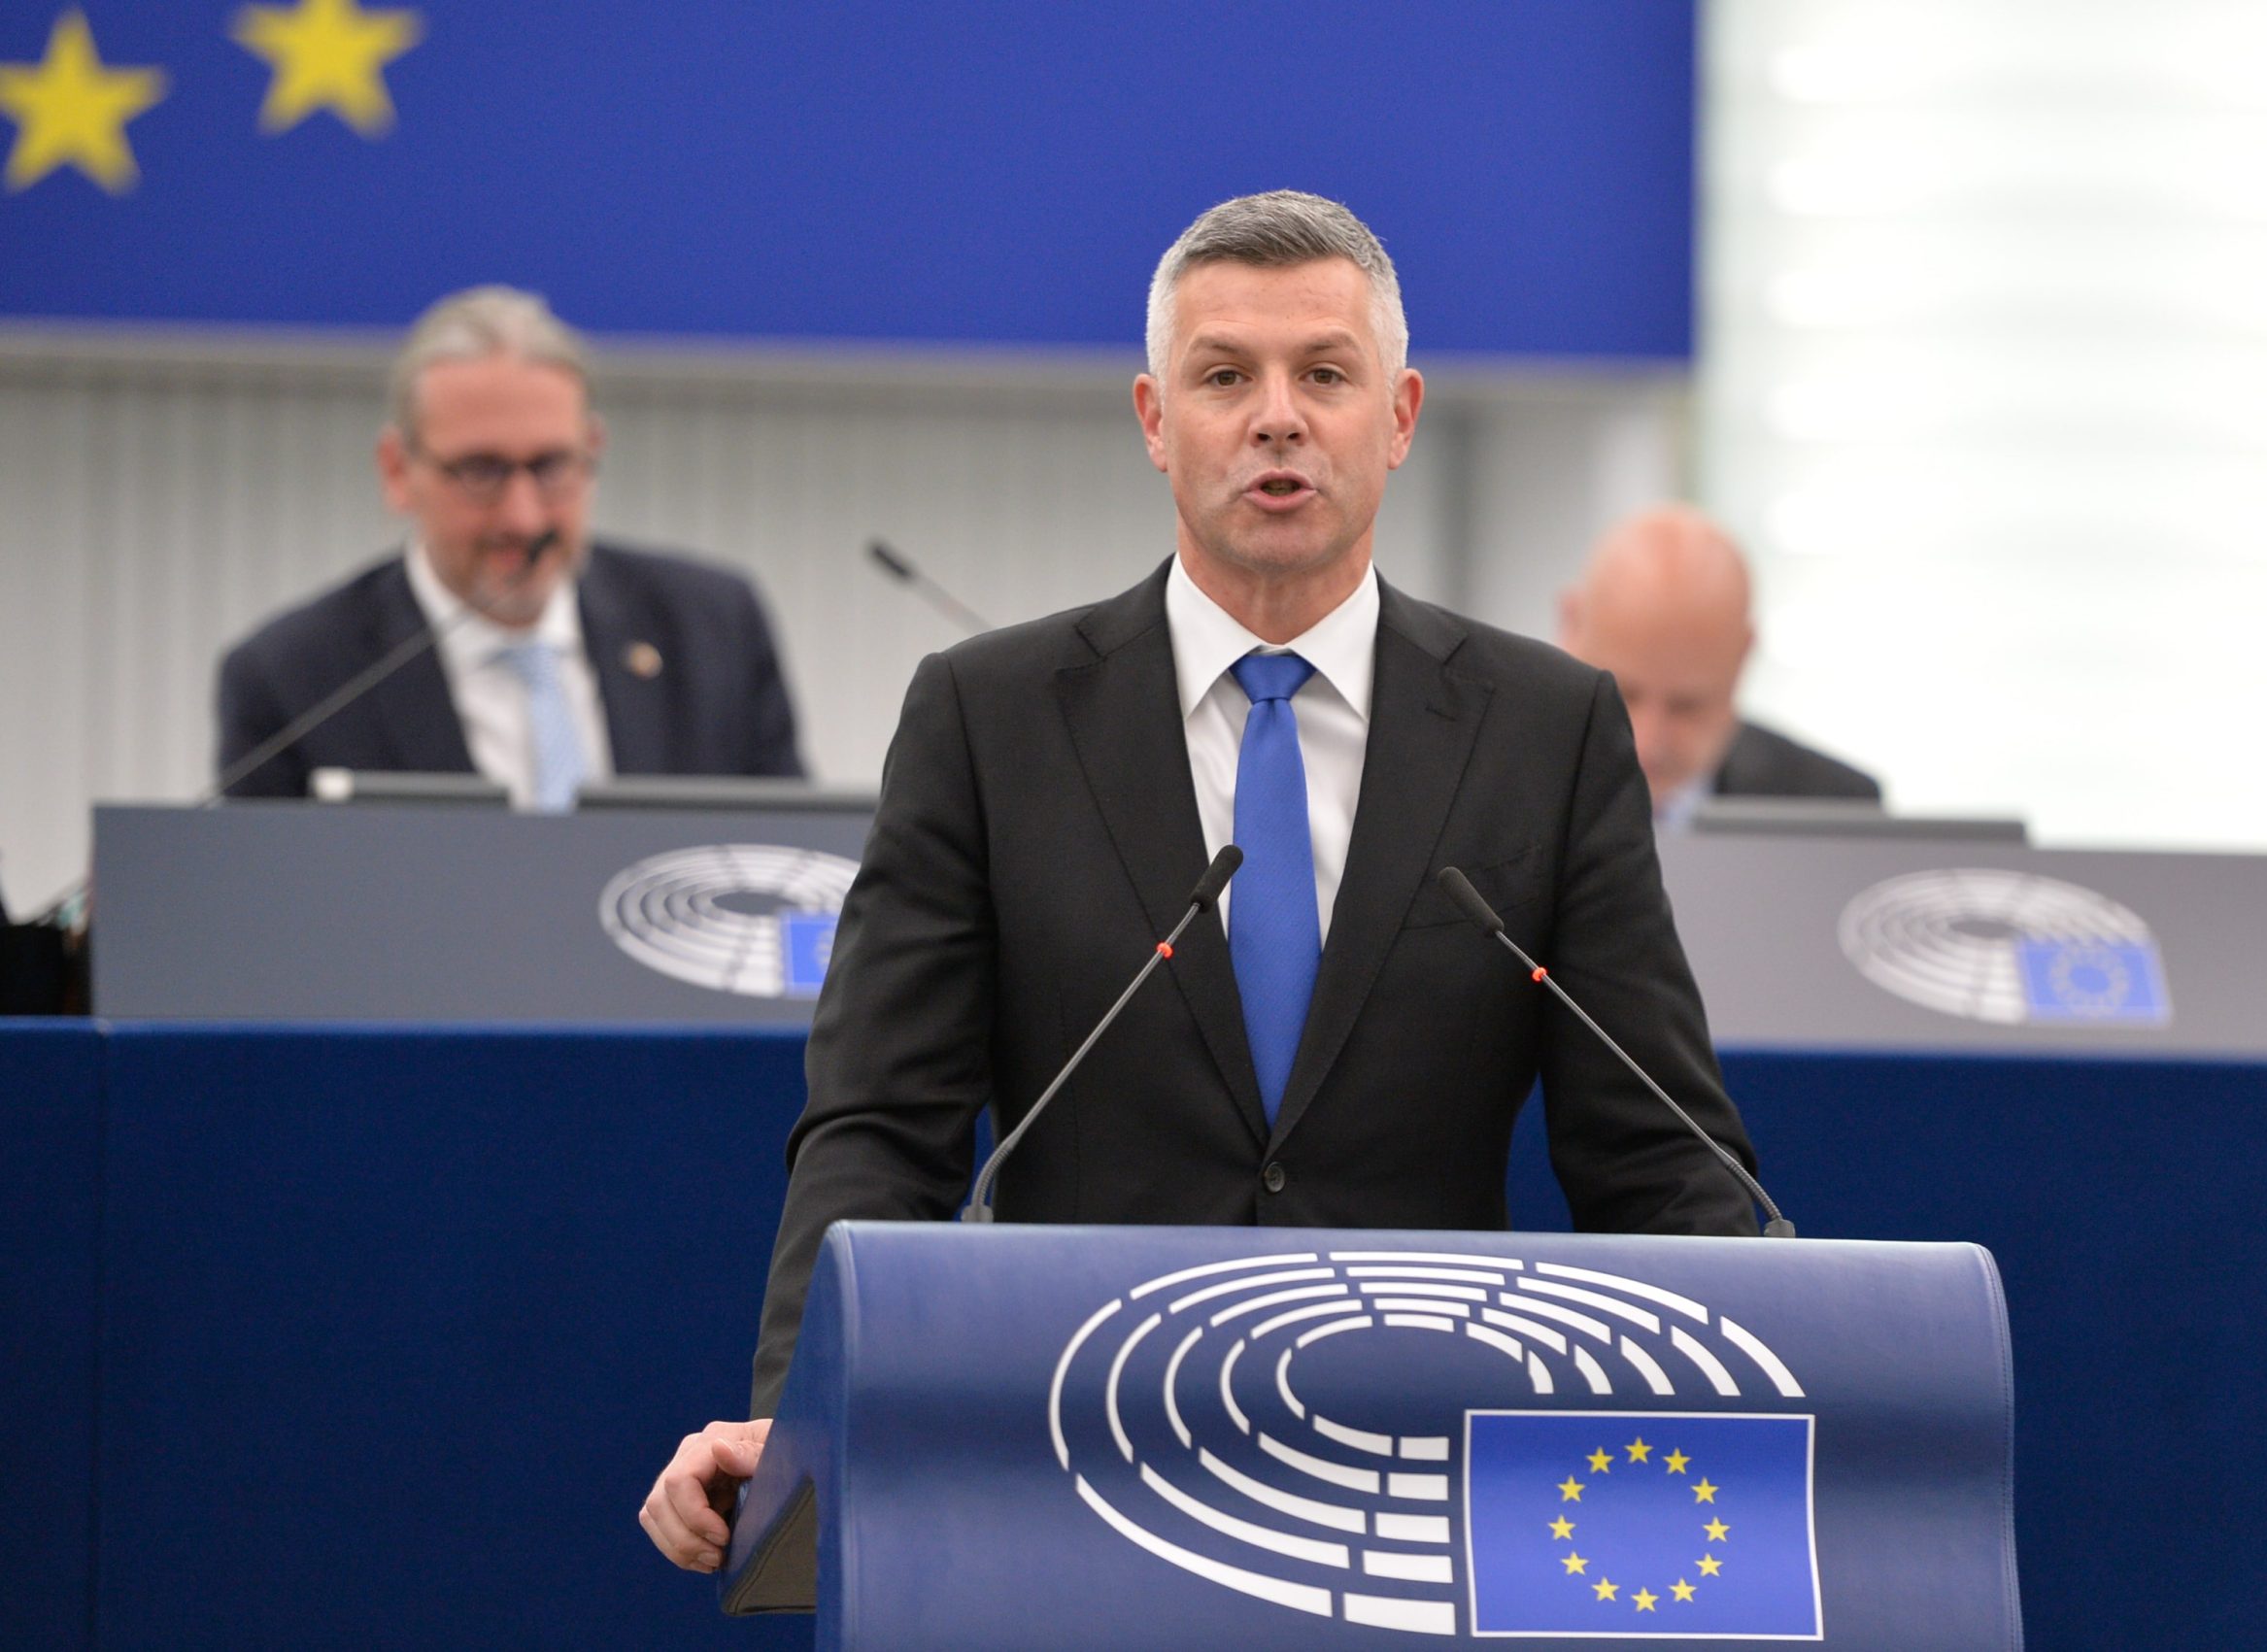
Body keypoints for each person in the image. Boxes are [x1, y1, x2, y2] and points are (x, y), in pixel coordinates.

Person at [639, 191, 1761, 1571]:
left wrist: (1757, 1404)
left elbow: (1657, 1150)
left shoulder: (1545, 730)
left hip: (1422, 1497)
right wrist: (801, 1419)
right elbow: (880, 1130)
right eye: (1225, 377)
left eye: (1324, 375)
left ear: (1399, 417)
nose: (1277, 418)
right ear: (1155, 420)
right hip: (1068, 1471)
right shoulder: (990, 719)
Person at [214, 287, 804, 807]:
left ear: (592, 451)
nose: (522, 518)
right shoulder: (295, 678)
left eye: (551, 467)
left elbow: (793, 862)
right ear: (397, 470)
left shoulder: (714, 630)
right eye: (481, 471)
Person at [1559, 506, 1878, 830]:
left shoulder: (1837, 814)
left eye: (1687, 706)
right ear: (1570, 625)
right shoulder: (1522, 790)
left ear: (1743, 656)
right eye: (1620, 695)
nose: (1647, 742)